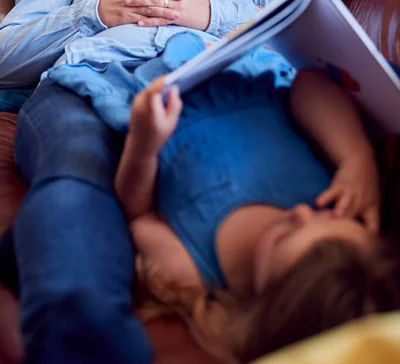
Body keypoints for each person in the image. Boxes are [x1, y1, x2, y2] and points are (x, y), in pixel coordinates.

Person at [0, 0, 301, 363]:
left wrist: (214, 15)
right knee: (75, 170)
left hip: (213, 94)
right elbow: (4, 55)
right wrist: (93, 13)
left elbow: (310, 40)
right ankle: (82, 331)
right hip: (87, 86)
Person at [114, 49, 400, 364]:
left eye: (284, 235)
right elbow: (309, 82)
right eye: (324, 215)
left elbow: (137, 212)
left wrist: (143, 145)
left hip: (146, 94)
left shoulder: (190, 272)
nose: (302, 211)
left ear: (262, 303)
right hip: (240, 62)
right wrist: (357, 158)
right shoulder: (339, 194)